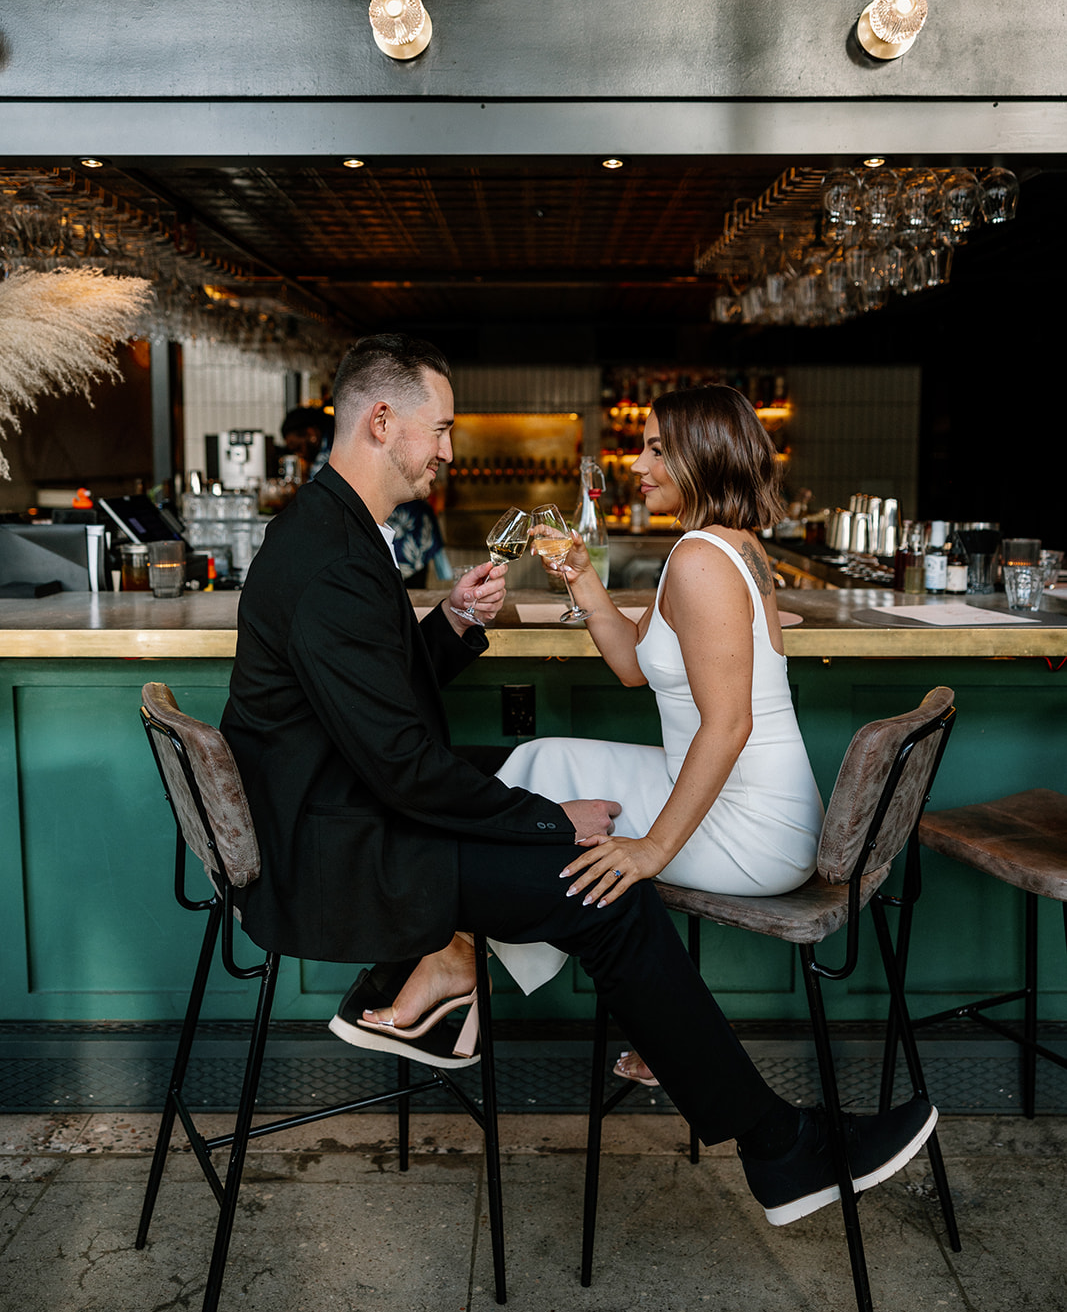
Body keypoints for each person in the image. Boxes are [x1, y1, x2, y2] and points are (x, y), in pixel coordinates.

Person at [222, 333, 935, 1229]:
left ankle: (437, 978)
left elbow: (367, 700)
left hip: (346, 802)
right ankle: (776, 1146)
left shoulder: (328, 529)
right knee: (601, 886)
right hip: (339, 840)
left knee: (566, 821)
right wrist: (545, 821)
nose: (447, 449)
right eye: (439, 430)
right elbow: (398, 759)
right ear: (381, 420)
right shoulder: (333, 553)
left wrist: (444, 628)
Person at [485, 383, 823, 1084]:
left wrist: (650, 849)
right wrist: (581, 578)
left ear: (703, 457)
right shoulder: (721, 547)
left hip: (753, 827)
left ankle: (464, 973)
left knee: (526, 817)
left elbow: (729, 726)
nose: (637, 466)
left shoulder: (701, 558)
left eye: (657, 450)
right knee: (535, 761)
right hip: (754, 799)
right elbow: (635, 668)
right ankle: (649, 1017)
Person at [281, 404, 333, 480]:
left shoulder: (330, 450)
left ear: (311, 434)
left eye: (298, 448)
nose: (298, 455)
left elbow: (314, 489)